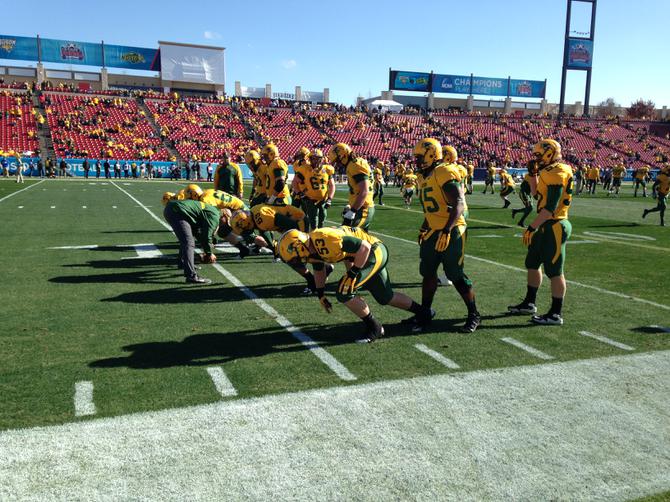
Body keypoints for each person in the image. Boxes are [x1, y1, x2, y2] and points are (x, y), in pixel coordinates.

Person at [277, 226, 433, 343]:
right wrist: (321, 295)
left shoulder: (324, 239)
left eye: (295, 259)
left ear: (299, 246)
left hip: (373, 252)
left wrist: (352, 274)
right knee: (385, 296)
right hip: (363, 257)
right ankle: (424, 313)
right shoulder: (310, 248)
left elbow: (363, 247)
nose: (297, 262)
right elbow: (320, 271)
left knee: (344, 292)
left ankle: (375, 328)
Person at [412, 138, 481, 333]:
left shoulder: (443, 171)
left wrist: (447, 229)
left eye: (419, 157)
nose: (416, 161)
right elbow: (432, 209)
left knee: (455, 274)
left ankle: (474, 313)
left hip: (452, 229)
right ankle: (425, 312)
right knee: (428, 273)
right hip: (433, 230)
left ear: (431, 155)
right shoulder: (422, 176)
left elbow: (458, 203)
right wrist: (424, 227)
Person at [508, 139, 573, 325]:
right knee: (532, 262)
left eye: (538, 154)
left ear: (550, 152)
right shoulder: (549, 170)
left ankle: (555, 313)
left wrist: (531, 226)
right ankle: (529, 303)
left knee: (554, 271)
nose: (536, 158)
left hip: (555, 224)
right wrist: (533, 174)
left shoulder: (558, 171)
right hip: (546, 223)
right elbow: (537, 195)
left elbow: (550, 207)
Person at [162, 198, 219, 284]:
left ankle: (182, 263)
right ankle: (191, 276)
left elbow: (197, 233)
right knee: (188, 242)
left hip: (175, 209)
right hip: (178, 211)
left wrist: (207, 247)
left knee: (187, 239)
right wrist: (209, 253)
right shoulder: (215, 216)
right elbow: (206, 236)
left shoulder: (209, 212)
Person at [328, 143, 375, 230]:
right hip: (360, 206)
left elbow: (364, 191)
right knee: (361, 239)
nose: (338, 163)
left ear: (343, 155)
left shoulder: (355, 165)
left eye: (338, 160)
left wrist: (353, 210)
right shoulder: (355, 163)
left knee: (349, 236)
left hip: (362, 208)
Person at [297, 149, 335, 230]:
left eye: (317, 158)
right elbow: (295, 182)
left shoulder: (327, 169)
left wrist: (330, 199)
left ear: (321, 159)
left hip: (323, 200)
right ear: (310, 159)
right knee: (313, 223)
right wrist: (300, 194)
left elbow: (332, 185)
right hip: (311, 199)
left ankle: (320, 238)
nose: (315, 160)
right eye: (313, 158)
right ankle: (313, 238)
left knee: (322, 221)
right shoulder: (304, 168)